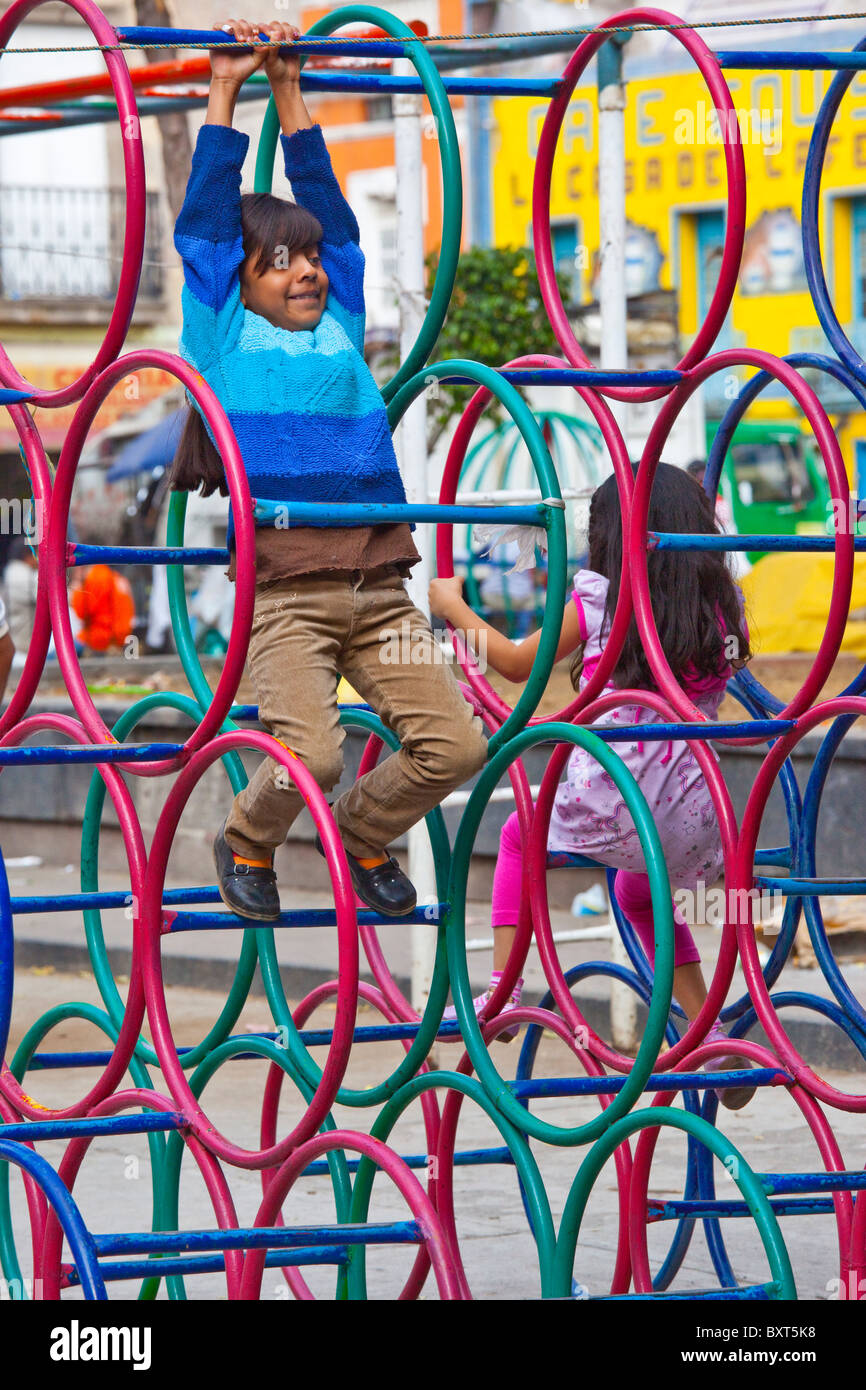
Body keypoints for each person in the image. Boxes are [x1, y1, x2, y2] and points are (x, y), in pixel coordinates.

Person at [169, 18, 487, 922]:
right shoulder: (222, 333)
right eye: (281, 261)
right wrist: (227, 90)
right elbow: (204, 228)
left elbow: (336, 219)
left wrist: (291, 88)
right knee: (308, 755)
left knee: (455, 746)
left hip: (381, 584)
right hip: (287, 593)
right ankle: (247, 835)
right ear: (245, 277)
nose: (305, 271)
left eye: (307, 258)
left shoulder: (342, 323)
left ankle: (357, 831)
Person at [430, 463, 756, 1109]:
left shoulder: (602, 599)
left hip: (620, 789)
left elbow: (520, 662)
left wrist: (452, 608)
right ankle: (708, 1030)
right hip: (698, 805)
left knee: (521, 837)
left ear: (609, 533)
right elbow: (739, 664)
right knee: (640, 894)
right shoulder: (723, 604)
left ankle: (502, 988)